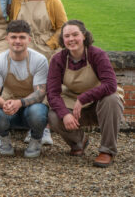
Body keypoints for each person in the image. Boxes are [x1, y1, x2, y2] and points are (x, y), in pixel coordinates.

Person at [47, 20, 124, 167]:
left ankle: (107, 151)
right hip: (72, 101)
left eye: (75, 34)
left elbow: (110, 84)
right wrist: (65, 114)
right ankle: (78, 141)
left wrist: (83, 98)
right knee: (53, 115)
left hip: (98, 102)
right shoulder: (58, 59)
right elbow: (52, 93)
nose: (71, 39)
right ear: (62, 40)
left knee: (112, 99)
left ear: (84, 36)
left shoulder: (97, 54)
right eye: (67, 36)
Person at [9, 0, 67, 144]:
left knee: (46, 85)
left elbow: (63, 27)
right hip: (22, 46)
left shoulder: (52, 1)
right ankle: (29, 125)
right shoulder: (17, 0)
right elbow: (11, 23)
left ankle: (45, 128)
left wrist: (50, 45)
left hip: (45, 47)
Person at [0, 20, 49, 158]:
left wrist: (20, 103)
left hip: (31, 107)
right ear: (7, 39)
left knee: (38, 112)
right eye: (13, 37)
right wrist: (4, 104)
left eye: (22, 37)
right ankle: (3, 138)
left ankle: (36, 139)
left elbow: (40, 92)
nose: (17, 41)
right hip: (9, 106)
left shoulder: (39, 60)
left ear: (29, 39)